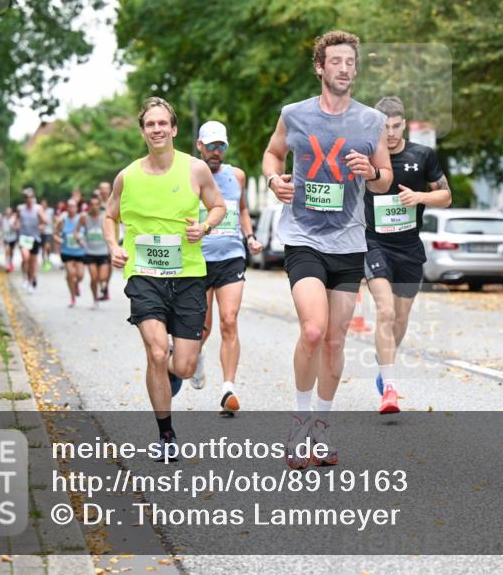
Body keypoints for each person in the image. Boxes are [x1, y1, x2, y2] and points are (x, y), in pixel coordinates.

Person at [261, 30, 392, 468]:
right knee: (313, 330)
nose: (343, 68)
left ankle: (322, 428)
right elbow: (272, 154)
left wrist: (370, 169)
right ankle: (298, 423)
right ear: (320, 67)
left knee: (335, 342)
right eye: (335, 61)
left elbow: (385, 179)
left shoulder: (371, 121)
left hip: (348, 240)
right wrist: (274, 179)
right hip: (303, 235)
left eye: (349, 62)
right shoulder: (294, 114)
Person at [103, 97, 226, 462]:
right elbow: (110, 216)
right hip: (144, 275)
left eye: (163, 123)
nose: (157, 129)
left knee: (183, 366)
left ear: (173, 129)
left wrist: (204, 225)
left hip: (187, 275)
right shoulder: (127, 176)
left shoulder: (195, 170)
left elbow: (218, 206)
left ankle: (181, 363)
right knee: (157, 351)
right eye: (150, 124)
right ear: (143, 131)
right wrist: (113, 245)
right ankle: (166, 435)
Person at [363, 96, 452, 414]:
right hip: (375, 244)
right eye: (384, 127)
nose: (390, 133)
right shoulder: (366, 156)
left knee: (400, 318)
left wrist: (419, 196)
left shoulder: (422, 154)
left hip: (409, 247)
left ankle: (382, 360)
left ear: (404, 123)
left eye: (396, 126)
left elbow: (446, 196)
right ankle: (389, 387)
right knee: (385, 313)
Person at [196, 120, 264, 416]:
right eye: (210, 145)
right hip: (198, 260)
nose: (216, 151)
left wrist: (249, 237)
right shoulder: (189, 176)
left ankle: (228, 387)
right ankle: (194, 355)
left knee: (229, 319)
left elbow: (244, 209)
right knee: (203, 327)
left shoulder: (236, 176)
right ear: (200, 146)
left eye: (220, 146)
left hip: (231, 256)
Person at [81, 195, 111, 308]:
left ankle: (103, 288)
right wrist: (79, 238)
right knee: (94, 278)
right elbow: (76, 230)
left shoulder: (104, 217)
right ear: (88, 206)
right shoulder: (84, 217)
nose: (94, 207)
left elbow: (111, 230)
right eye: (92, 204)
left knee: (103, 277)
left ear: (99, 206)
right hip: (90, 252)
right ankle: (95, 300)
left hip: (103, 251)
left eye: (96, 204)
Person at [16, 188, 48, 294]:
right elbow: (17, 220)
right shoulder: (20, 209)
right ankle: (25, 277)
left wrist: (41, 223)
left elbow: (45, 221)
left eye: (30, 197)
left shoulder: (38, 208)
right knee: (25, 257)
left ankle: (31, 282)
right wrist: (16, 225)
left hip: (35, 237)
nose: (28, 199)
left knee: (32, 261)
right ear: (24, 199)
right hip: (24, 237)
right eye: (26, 197)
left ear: (33, 197)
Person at [56, 199, 86, 307]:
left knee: (80, 275)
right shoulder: (62, 221)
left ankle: (76, 284)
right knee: (71, 274)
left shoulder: (81, 219)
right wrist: (60, 240)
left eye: (73, 206)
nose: (71, 208)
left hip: (80, 252)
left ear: (76, 208)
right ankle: (72, 298)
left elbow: (87, 231)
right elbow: (55, 234)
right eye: (69, 206)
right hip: (67, 251)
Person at [97, 181, 115, 300]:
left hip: (112, 237)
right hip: (98, 239)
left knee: (111, 265)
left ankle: (106, 286)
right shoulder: (95, 204)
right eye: (102, 189)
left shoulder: (114, 201)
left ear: (110, 189)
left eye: (106, 188)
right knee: (100, 265)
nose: (104, 191)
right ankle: (101, 286)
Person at [1, 207, 18, 272]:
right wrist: (0, 238)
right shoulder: (3, 219)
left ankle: (11, 262)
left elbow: (17, 227)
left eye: (9, 211)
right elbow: (1, 228)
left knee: (11, 252)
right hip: (6, 237)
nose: (8, 212)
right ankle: (7, 264)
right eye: (7, 211)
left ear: (11, 212)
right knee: (7, 250)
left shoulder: (14, 219)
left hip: (13, 237)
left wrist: (13, 227)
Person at [40, 198, 55, 271]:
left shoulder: (50, 211)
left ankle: (48, 259)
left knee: (47, 247)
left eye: (44, 203)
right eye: (42, 204)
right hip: (42, 232)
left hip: (49, 231)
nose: (43, 205)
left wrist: (52, 226)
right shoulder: (39, 211)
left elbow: (53, 220)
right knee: (43, 248)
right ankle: (44, 261)